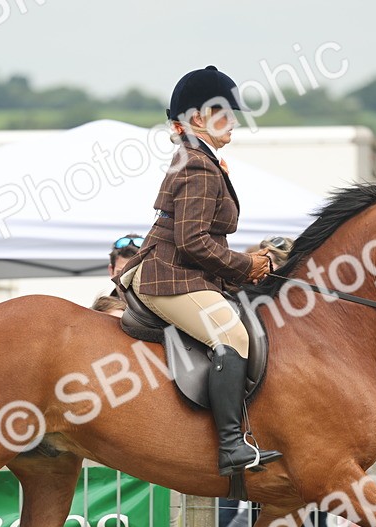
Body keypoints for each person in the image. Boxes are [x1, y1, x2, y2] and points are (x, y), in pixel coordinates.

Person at [119, 65, 281, 476]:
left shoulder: (200, 159)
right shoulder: (198, 165)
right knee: (232, 334)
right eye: (225, 112)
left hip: (180, 271)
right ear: (197, 119)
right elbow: (192, 241)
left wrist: (249, 264)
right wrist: (246, 267)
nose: (235, 121)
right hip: (169, 277)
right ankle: (230, 446)